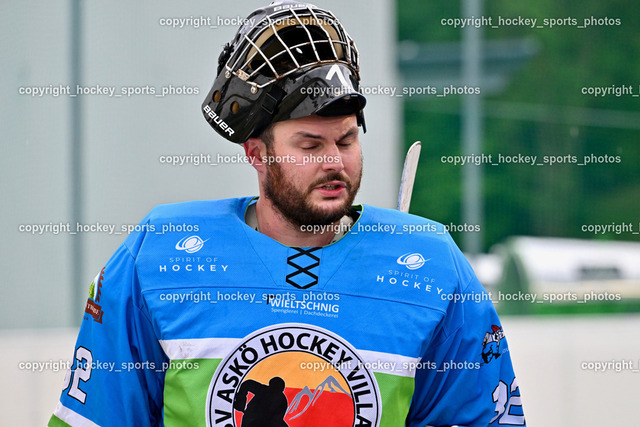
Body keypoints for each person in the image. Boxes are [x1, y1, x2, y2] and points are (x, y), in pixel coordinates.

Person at [50, 1, 525, 426]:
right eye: (310, 145)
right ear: (257, 154)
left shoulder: (430, 264)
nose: (334, 162)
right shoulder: (160, 254)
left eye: (346, 140)